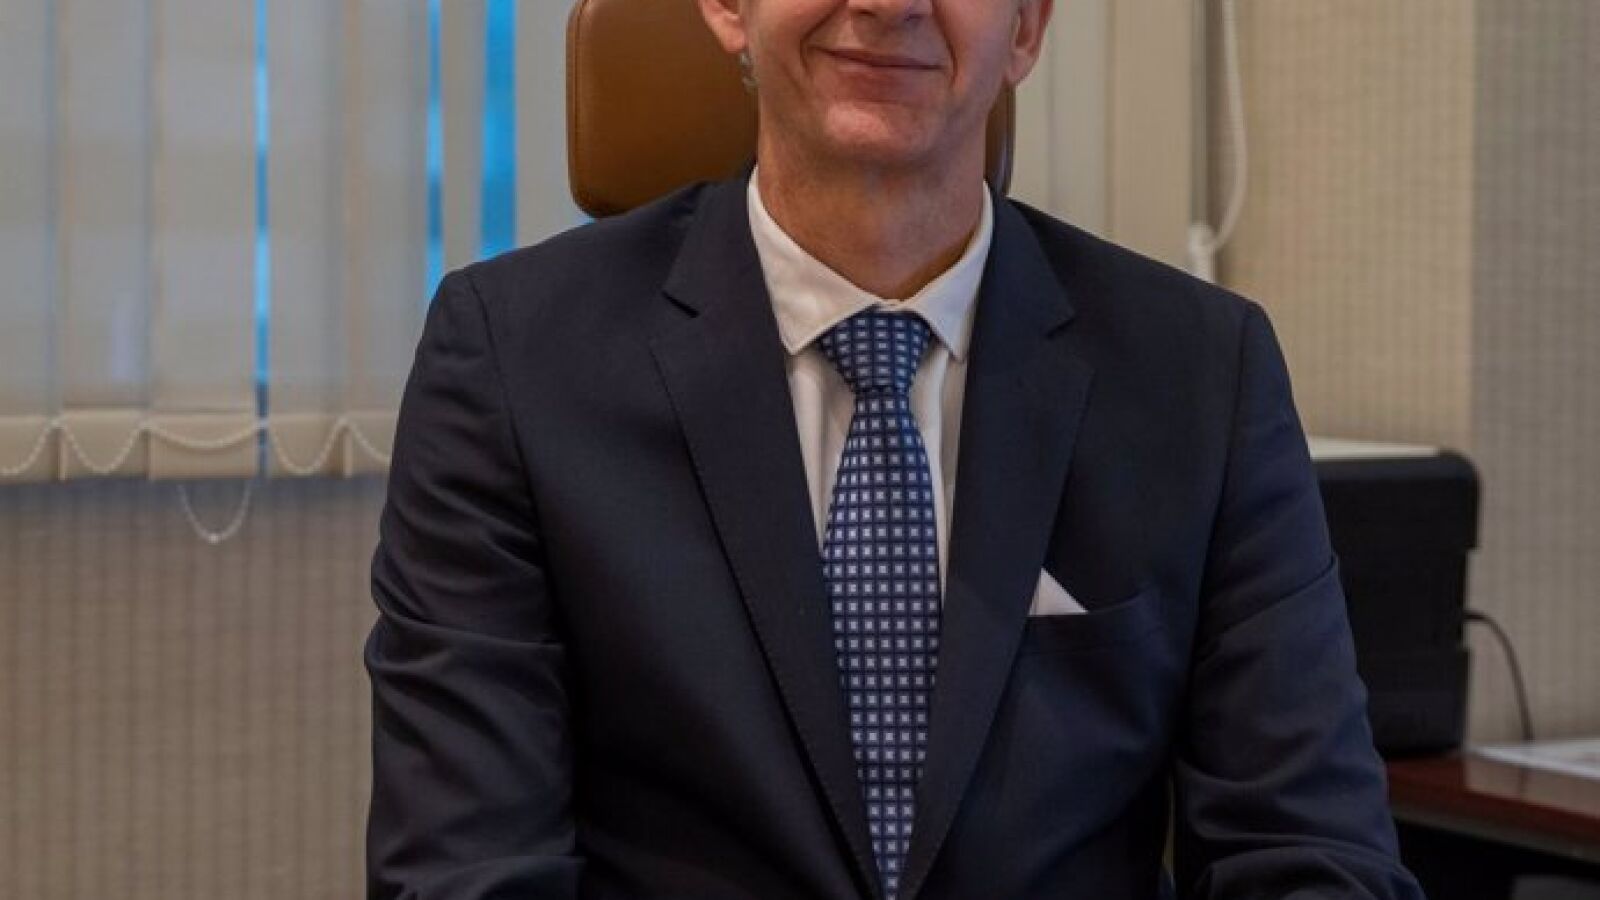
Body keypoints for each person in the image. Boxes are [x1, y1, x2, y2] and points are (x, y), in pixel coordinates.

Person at [364, 0, 1425, 897]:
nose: (889, 2)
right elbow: (467, 868)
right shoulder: (515, 362)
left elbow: (1311, 850)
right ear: (728, 7)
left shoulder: (1199, 373)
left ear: (1027, 28)